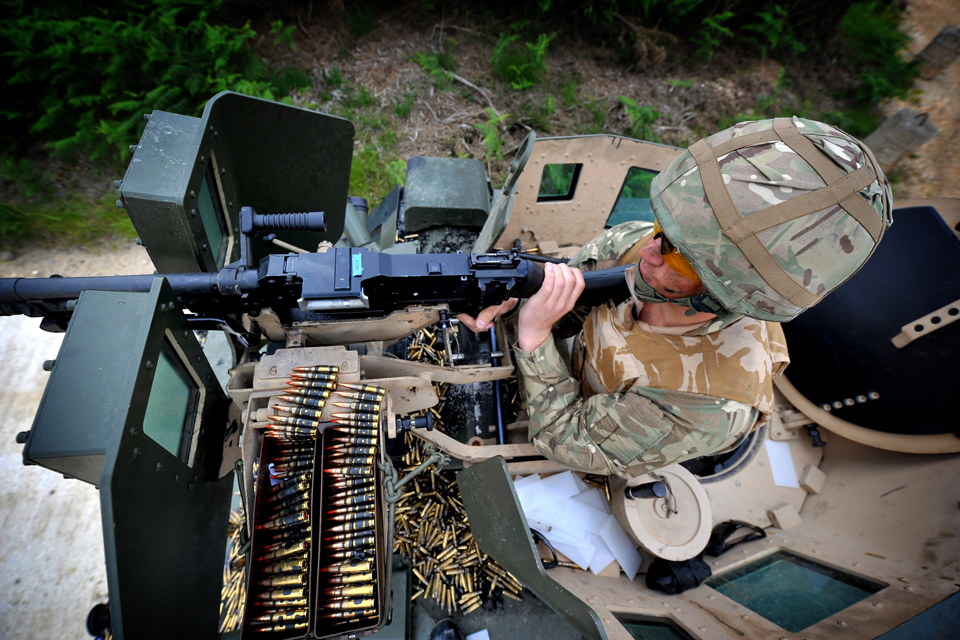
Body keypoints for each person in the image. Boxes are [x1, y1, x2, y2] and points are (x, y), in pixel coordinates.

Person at [460, 116, 892, 479]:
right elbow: (578, 290)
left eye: (679, 259)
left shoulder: (708, 404)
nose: (649, 251)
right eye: (661, 231)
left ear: (722, 295)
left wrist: (534, 339)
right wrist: (518, 299)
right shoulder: (644, 248)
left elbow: (567, 441)